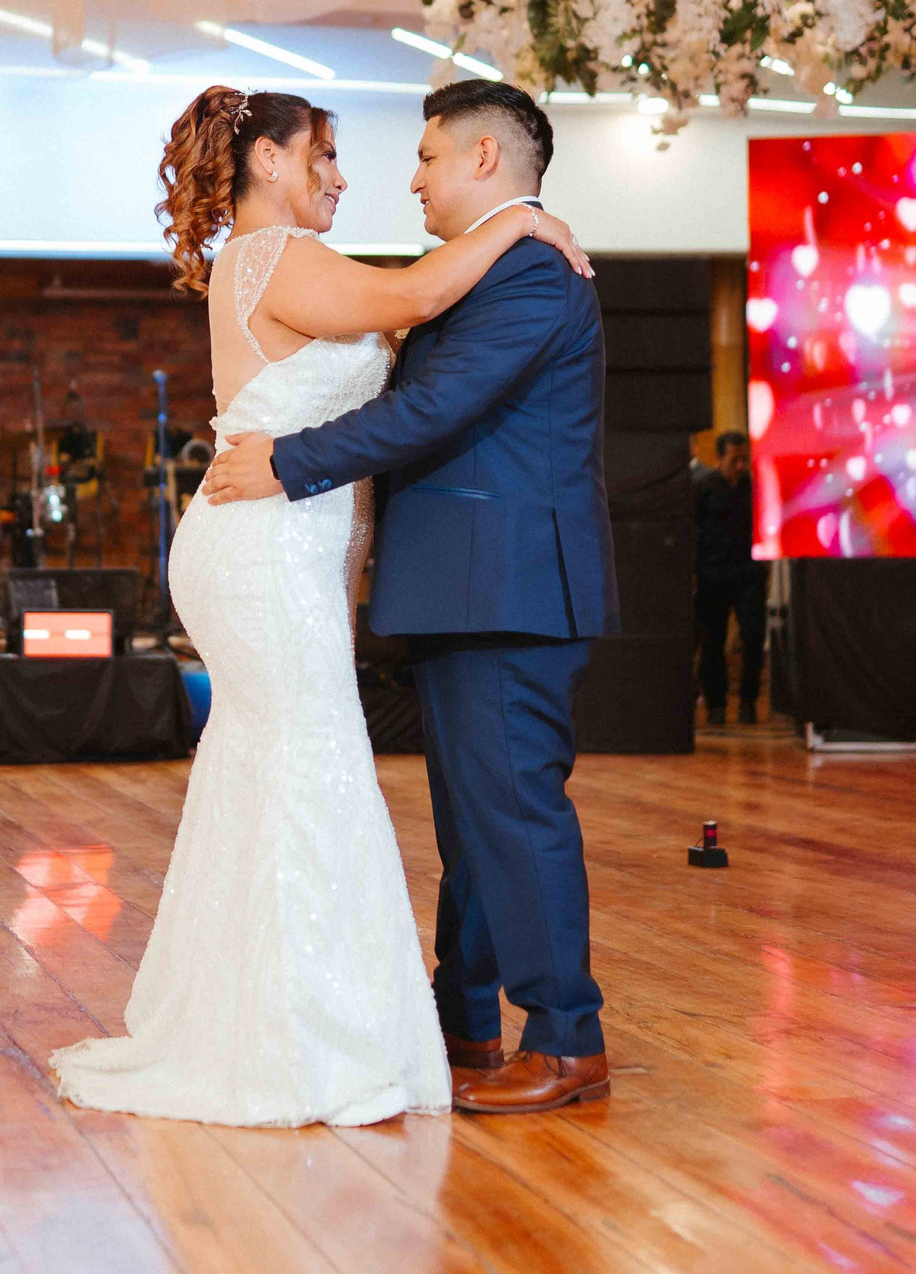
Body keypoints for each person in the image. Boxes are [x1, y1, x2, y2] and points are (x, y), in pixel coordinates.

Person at [48, 84, 591, 1129]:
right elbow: (414, 307)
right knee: (311, 767)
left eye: (416, 155)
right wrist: (523, 217)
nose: (355, 175)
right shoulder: (273, 256)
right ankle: (310, 1028)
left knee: (296, 771)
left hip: (293, 546)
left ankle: (318, 1017)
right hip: (260, 543)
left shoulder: (310, 258)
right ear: (266, 163)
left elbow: (416, 346)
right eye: (325, 154)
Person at [196, 79, 620, 1117]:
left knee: (512, 815)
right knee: (473, 822)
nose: (411, 175)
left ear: (483, 158)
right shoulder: (474, 269)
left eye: (427, 156)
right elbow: (410, 320)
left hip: (506, 588)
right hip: (456, 587)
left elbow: (436, 407)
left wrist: (287, 461)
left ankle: (566, 1035)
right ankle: (463, 1016)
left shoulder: (530, 274)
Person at [693, 429, 766, 727]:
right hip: (713, 574)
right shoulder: (703, 488)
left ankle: (748, 702)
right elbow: (694, 531)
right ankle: (716, 705)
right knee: (713, 642)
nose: (740, 466)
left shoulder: (753, 487)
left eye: (744, 459)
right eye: (734, 459)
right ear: (720, 457)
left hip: (748, 574)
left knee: (753, 637)